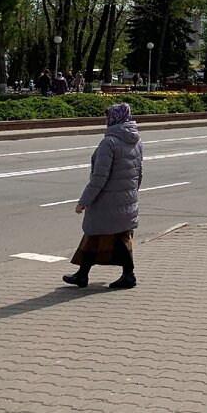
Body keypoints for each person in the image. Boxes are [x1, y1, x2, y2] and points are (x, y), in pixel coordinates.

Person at [62, 103, 143, 290]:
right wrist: (131, 194)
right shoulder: (137, 140)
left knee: (106, 235)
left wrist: (83, 202)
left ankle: (128, 275)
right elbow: (139, 173)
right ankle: (82, 275)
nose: (105, 121)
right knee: (101, 236)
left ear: (113, 118)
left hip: (107, 201)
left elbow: (99, 177)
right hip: (127, 199)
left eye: (107, 117)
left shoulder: (110, 143)